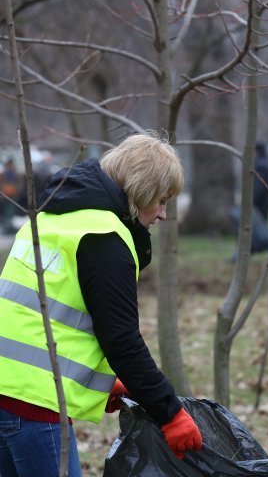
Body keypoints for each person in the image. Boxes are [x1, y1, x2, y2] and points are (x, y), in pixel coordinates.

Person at [0, 133, 203, 476]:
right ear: (141, 190)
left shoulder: (52, 216)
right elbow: (122, 340)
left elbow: (43, 313)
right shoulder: (104, 239)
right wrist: (170, 413)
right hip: (36, 405)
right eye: (162, 200)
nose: (164, 214)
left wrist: (106, 382)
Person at [0, 158, 20, 234]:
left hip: (13, 197)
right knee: (6, 213)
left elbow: (19, 185)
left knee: (10, 212)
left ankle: (10, 228)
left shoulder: (16, 174)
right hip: (5, 196)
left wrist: (14, 190)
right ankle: (7, 228)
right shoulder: (3, 174)